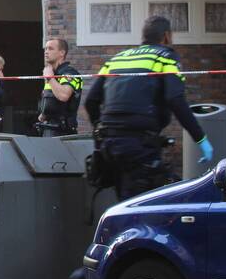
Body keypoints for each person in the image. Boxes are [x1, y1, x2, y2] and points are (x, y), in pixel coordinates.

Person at [85, 15, 213, 201]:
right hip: (139, 144)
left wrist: (99, 129)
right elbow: (175, 99)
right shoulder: (165, 57)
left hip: (109, 146)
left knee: (124, 200)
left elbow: (91, 101)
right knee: (145, 202)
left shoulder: (117, 58)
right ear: (167, 36)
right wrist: (201, 139)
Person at [36, 38, 82, 137]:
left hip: (63, 133)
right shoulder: (53, 73)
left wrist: (50, 78)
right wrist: (44, 114)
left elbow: (64, 95)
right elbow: (51, 102)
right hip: (48, 129)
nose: (46, 52)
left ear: (62, 53)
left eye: (50, 49)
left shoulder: (70, 73)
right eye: (46, 49)